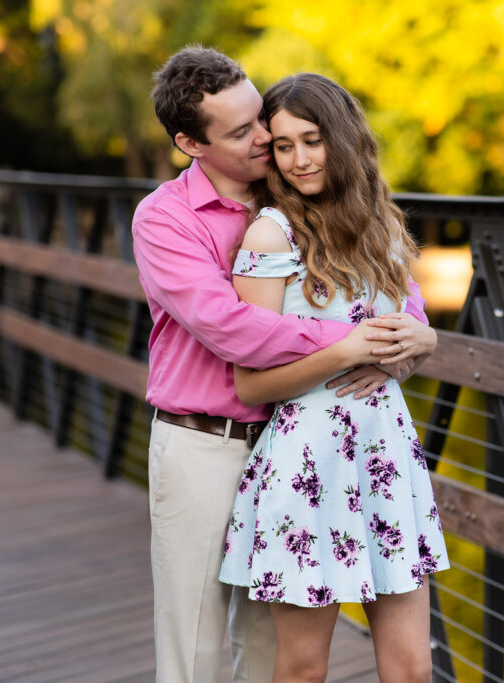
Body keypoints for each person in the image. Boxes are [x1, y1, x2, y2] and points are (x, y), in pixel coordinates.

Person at [132, 47, 434, 682]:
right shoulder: (166, 219)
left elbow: (390, 284)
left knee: (270, 654)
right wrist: (353, 344)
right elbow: (234, 330)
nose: (266, 139)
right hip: (205, 443)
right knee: (194, 651)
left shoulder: (293, 185)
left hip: (294, 440)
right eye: (242, 132)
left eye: (258, 117)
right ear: (191, 143)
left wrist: (418, 336)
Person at [217, 72, 449, 683]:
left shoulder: (382, 227)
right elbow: (250, 384)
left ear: (342, 139)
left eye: (312, 140)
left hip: (385, 457)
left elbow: (410, 333)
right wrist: (346, 351)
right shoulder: (272, 234)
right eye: (284, 145)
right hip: (307, 464)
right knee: (302, 671)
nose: (298, 160)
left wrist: (425, 341)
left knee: (412, 670)